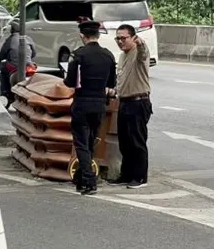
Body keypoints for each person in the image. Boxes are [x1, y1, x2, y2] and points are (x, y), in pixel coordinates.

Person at [64, 19, 117, 195]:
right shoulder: (108, 55)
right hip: (100, 104)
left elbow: (70, 82)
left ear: (82, 36)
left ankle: (89, 181)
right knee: (90, 142)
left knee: (81, 143)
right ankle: (81, 178)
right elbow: (111, 82)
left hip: (82, 104)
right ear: (98, 35)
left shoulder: (78, 55)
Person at [108, 24, 152, 189]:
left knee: (137, 141)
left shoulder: (138, 53)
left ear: (133, 38)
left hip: (138, 102)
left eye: (123, 38)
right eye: (117, 38)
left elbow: (143, 54)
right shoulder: (122, 56)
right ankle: (126, 175)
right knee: (125, 142)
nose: (120, 41)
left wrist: (141, 44)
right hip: (124, 102)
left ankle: (140, 178)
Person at [0, 20, 36, 105]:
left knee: (2, 71)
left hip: (14, 68)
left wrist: (1, 60)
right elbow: (34, 53)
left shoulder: (10, 40)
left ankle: (6, 94)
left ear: (12, 30)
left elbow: (1, 56)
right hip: (29, 66)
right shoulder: (28, 38)